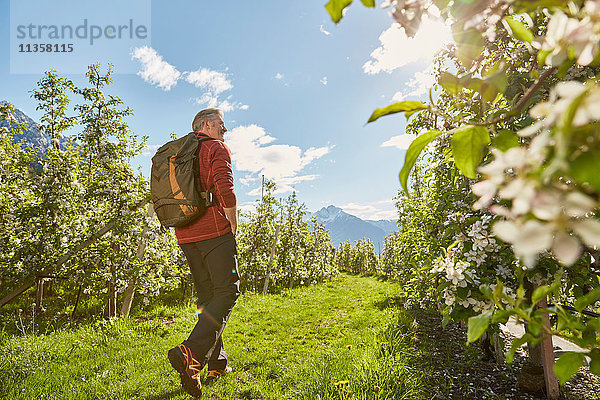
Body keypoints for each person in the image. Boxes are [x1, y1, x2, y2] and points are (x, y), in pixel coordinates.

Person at [167, 108, 240, 398]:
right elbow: (225, 186)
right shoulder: (215, 148)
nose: (225, 129)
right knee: (228, 292)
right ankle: (191, 352)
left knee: (208, 298)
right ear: (206, 125)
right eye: (221, 124)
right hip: (213, 231)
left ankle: (215, 364)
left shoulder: (178, 154)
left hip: (185, 234)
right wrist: (232, 221)